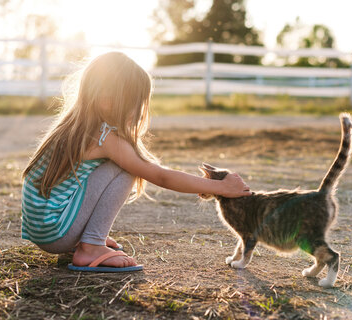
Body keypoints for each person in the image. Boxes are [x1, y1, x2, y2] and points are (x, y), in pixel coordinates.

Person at [21, 52, 251, 272]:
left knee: (121, 164)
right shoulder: (104, 137)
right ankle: (90, 247)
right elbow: (160, 176)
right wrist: (220, 187)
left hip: (45, 228)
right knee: (125, 169)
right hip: (56, 232)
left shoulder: (74, 126)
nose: (138, 110)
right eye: (135, 101)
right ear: (107, 100)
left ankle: (85, 239)